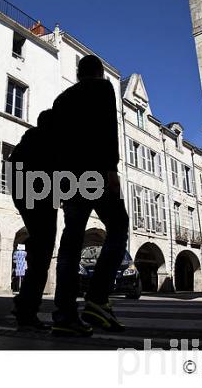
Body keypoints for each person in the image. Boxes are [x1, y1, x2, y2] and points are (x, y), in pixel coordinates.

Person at [49, 55, 129, 336]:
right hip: (96, 172)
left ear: (78, 73)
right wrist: (111, 169)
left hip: (68, 177)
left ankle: (64, 315)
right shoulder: (102, 89)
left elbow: (55, 142)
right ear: (98, 73)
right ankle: (96, 298)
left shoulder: (61, 100)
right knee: (119, 229)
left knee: (70, 243)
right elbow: (107, 130)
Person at [8, 109, 58, 332]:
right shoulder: (47, 141)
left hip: (30, 199)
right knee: (42, 256)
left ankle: (24, 305)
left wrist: (20, 200)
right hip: (42, 201)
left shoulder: (29, 138)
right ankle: (27, 310)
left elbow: (12, 167)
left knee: (39, 251)